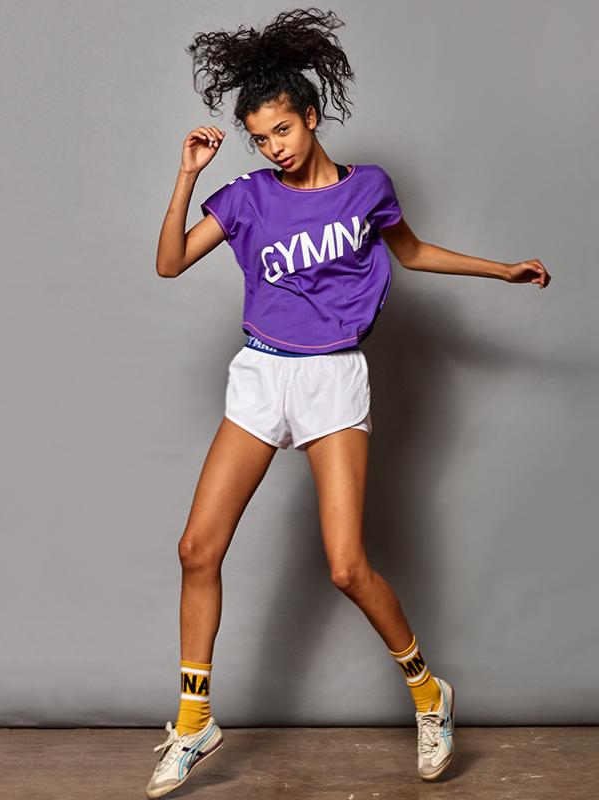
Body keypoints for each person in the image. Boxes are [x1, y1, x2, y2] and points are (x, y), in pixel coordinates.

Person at [146, 8, 551, 798]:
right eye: (260, 138)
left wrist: (499, 270)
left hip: (333, 378)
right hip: (262, 373)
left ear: (310, 115)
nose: (274, 147)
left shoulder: (368, 188)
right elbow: (168, 264)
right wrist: (188, 175)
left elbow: (412, 252)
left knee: (345, 566)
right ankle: (194, 722)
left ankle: (429, 695)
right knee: (197, 548)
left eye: (282, 130)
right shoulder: (246, 198)